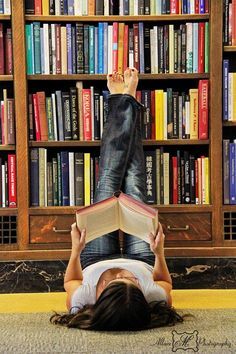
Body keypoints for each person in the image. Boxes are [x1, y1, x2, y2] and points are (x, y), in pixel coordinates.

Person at [50, 68, 184, 331]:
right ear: (141, 293)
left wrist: (76, 251)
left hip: (95, 258)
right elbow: (165, 283)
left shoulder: (81, 299)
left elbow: (70, 282)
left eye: (115, 279)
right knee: (134, 179)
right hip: (143, 257)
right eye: (131, 280)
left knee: (109, 177)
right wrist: (159, 254)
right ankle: (126, 100)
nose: (123, 273)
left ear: (99, 293)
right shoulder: (155, 297)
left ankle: (123, 101)